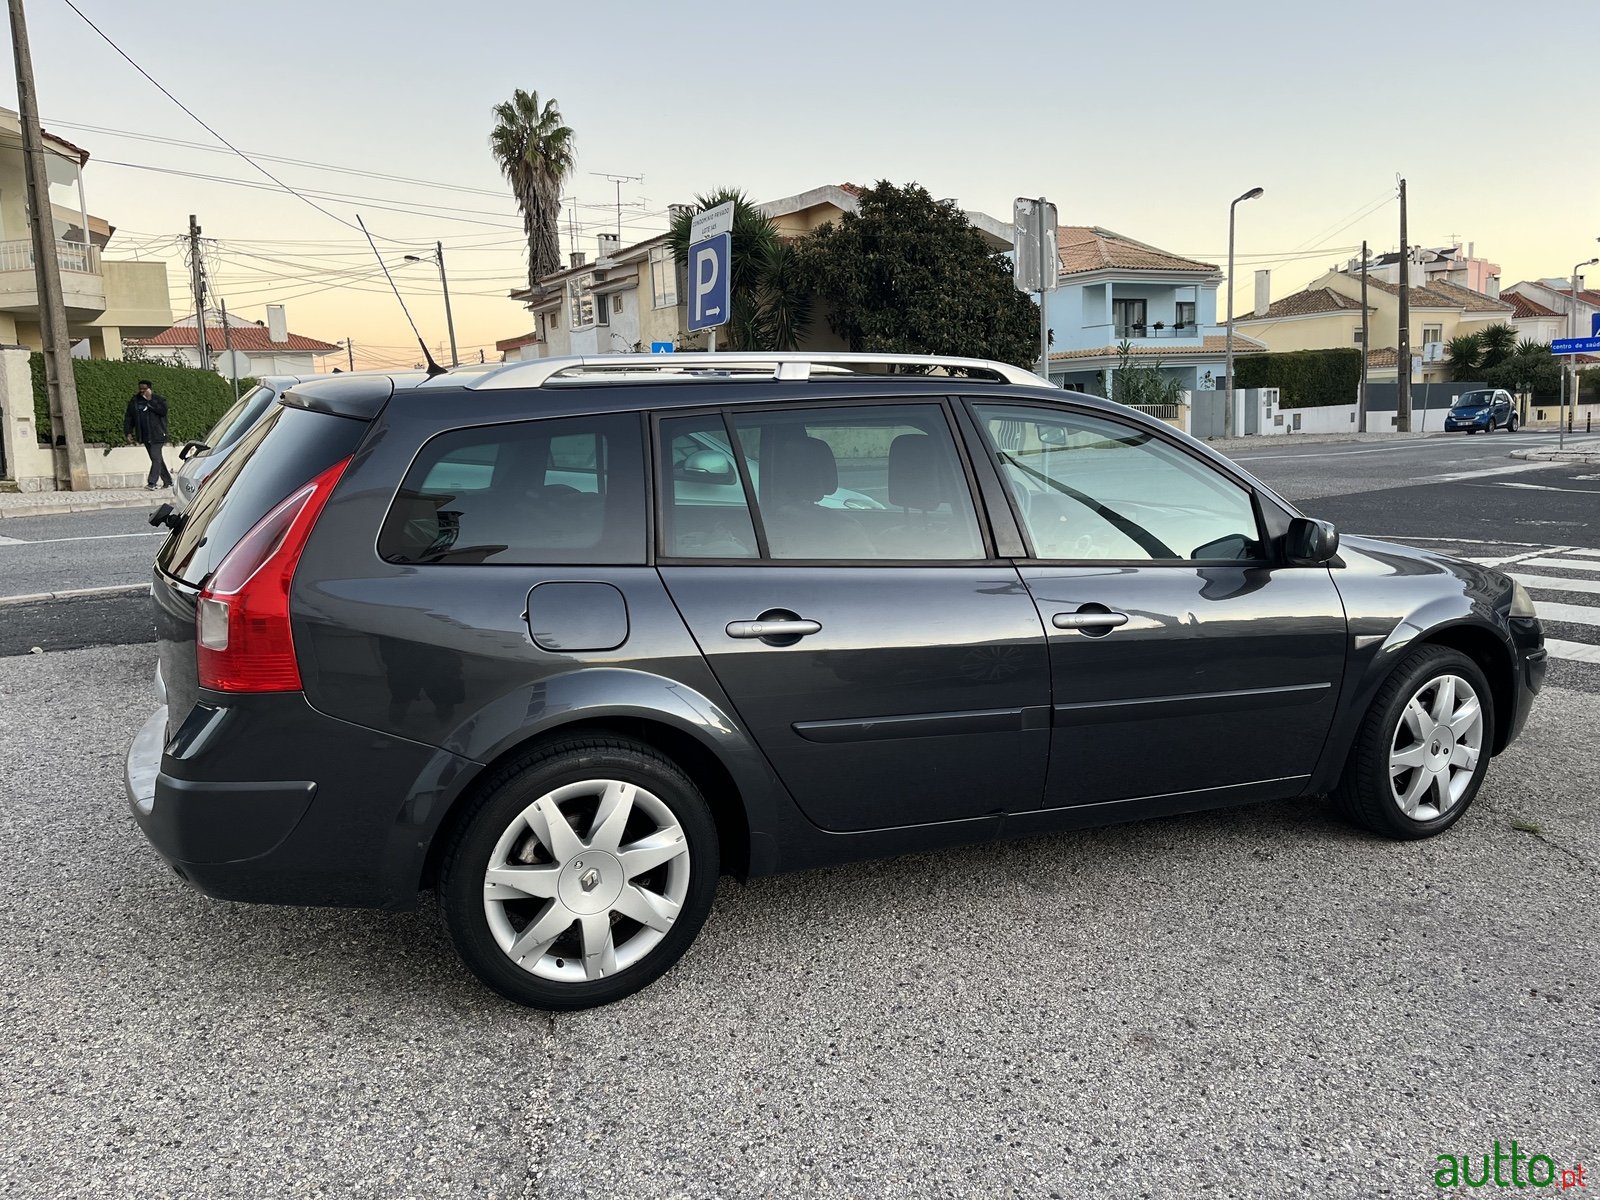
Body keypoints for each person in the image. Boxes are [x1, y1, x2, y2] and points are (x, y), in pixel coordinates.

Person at [123, 380, 171, 490]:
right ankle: (168, 481)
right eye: (140, 388)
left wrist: (150, 401)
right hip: (144, 435)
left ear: (149, 389)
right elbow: (129, 417)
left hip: (158, 434)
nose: (142, 391)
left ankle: (152, 482)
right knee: (157, 459)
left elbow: (163, 411)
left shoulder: (158, 399)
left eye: (144, 389)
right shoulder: (135, 401)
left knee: (155, 457)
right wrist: (128, 432)